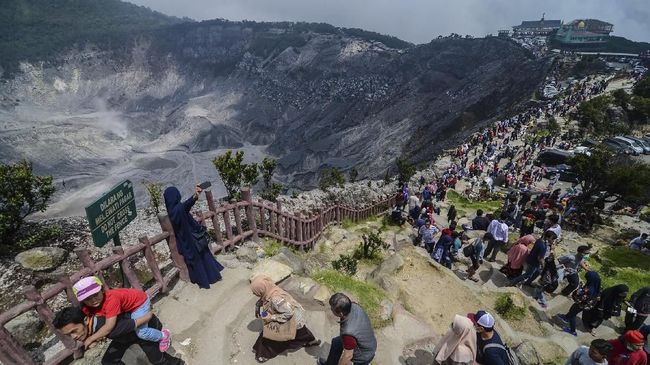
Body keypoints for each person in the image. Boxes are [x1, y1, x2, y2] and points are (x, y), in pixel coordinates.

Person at [53, 306, 184, 365]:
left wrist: (149, 316)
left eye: (74, 331)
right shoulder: (87, 314)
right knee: (108, 361)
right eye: (69, 334)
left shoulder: (108, 327)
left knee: (158, 360)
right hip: (124, 335)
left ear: (86, 320)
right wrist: (89, 337)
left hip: (144, 329)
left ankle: (178, 363)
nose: (74, 337)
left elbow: (133, 324)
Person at [72, 276, 171, 352]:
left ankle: (163, 336)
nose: (93, 300)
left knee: (142, 333)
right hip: (131, 303)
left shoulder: (111, 300)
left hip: (139, 303)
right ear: (83, 301)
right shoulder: (88, 306)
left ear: (102, 290)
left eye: (95, 295)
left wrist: (91, 339)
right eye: (88, 299)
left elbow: (109, 327)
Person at [163, 186, 224, 289]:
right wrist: (196, 194)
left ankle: (200, 279)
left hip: (185, 241)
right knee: (203, 257)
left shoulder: (171, 211)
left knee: (194, 262)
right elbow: (187, 204)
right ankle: (211, 277)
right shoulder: (178, 209)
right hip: (193, 238)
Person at [249, 275, 320, 363]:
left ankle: (264, 354)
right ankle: (312, 341)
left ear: (262, 289)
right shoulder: (271, 289)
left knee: (272, 338)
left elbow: (288, 313)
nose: (254, 294)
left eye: (255, 291)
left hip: (293, 319)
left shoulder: (275, 299)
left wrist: (271, 317)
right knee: (301, 333)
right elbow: (266, 298)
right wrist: (258, 305)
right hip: (297, 317)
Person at [319, 293, 377, 365]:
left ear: (341, 314)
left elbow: (348, 356)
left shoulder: (348, 333)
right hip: (368, 341)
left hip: (363, 355)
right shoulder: (354, 305)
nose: (331, 309)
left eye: (332, 309)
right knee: (336, 342)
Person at [558, 271, 602, 336]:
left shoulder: (589, 289)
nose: (587, 280)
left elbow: (580, 297)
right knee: (573, 311)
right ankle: (566, 317)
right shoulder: (596, 285)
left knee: (573, 314)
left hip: (581, 304)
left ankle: (572, 331)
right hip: (587, 305)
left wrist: (579, 292)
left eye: (587, 278)